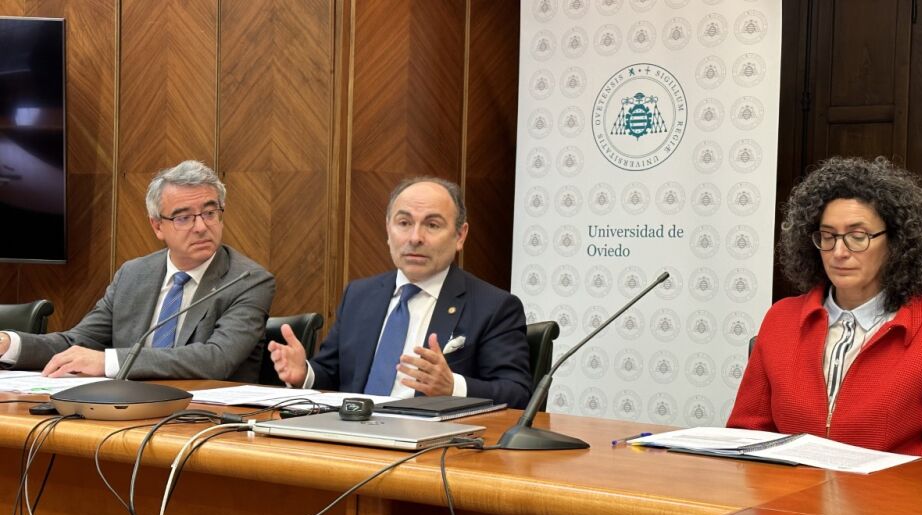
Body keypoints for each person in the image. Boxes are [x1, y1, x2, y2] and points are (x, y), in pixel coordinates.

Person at [727, 156, 922, 465]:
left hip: (893, 497)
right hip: (789, 495)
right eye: (828, 236)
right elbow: (744, 439)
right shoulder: (781, 320)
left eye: (858, 237)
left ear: (896, 241)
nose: (839, 252)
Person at [269, 177, 532, 408]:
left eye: (432, 225)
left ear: (460, 236)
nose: (415, 237)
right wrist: (304, 374)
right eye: (404, 223)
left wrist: (453, 386)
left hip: (430, 441)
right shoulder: (360, 295)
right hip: (352, 434)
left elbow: (517, 393)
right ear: (388, 230)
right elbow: (332, 374)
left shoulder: (493, 306)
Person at [0, 161, 275, 382]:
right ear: (157, 226)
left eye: (210, 213)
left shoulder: (248, 281)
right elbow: (78, 342)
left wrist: (108, 362)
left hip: (207, 417)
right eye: (183, 218)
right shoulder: (133, 275)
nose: (201, 227)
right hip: (129, 411)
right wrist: (8, 344)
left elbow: (217, 359)